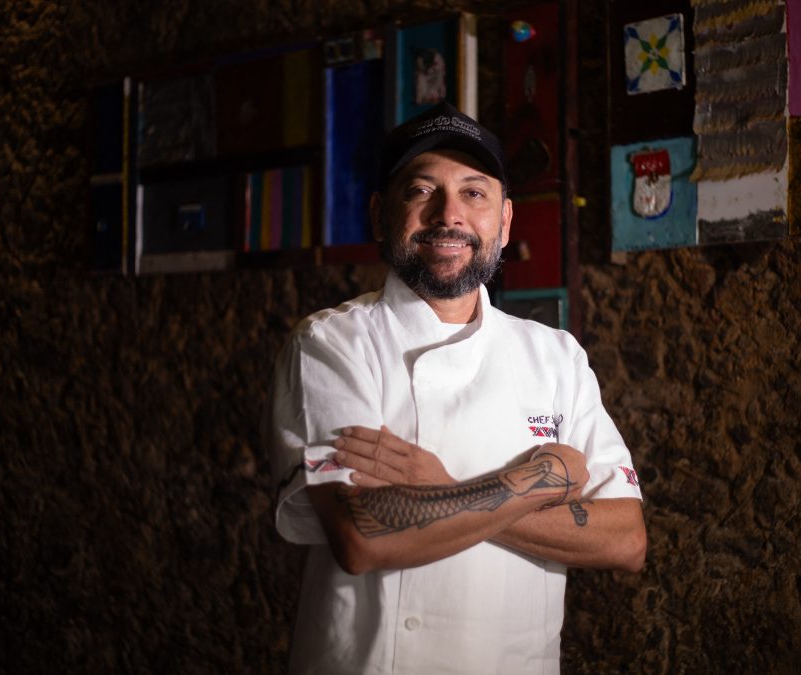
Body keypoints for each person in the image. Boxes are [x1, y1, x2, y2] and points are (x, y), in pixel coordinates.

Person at [264, 102, 646, 674]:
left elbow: (626, 539)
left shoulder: (556, 357)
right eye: (422, 190)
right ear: (380, 215)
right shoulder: (332, 343)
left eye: (474, 193)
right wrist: (536, 480)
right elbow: (362, 535)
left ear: (505, 221)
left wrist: (441, 488)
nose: (449, 215)